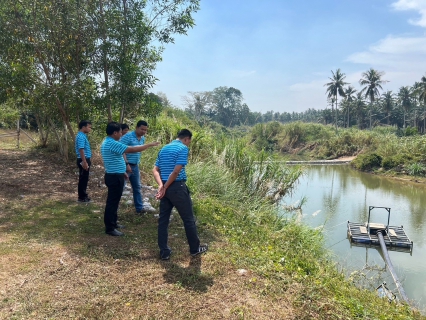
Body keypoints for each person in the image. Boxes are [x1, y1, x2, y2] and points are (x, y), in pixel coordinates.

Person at [153, 129, 208, 260]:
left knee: (163, 220)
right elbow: (177, 171)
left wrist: (161, 186)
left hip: (165, 187)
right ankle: (195, 249)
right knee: (188, 219)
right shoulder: (182, 148)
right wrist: (165, 187)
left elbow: (155, 169)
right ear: (186, 139)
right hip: (177, 187)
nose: (188, 144)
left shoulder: (164, 148)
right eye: (189, 141)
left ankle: (164, 251)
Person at [101, 122, 159, 236]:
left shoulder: (108, 141)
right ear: (115, 133)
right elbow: (132, 149)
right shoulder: (112, 143)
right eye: (120, 133)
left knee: (115, 200)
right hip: (114, 176)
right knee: (112, 202)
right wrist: (149, 145)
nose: (121, 135)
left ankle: (114, 222)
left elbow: (114, 159)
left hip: (115, 174)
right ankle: (110, 228)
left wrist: (123, 171)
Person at [120, 120, 159, 214]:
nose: (143, 132)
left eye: (145, 130)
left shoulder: (142, 139)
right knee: (120, 187)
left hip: (135, 166)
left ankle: (139, 208)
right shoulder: (127, 137)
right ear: (136, 128)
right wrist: (126, 164)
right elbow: (121, 150)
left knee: (137, 187)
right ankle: (114, 210)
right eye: (142, 129)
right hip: (125, 165)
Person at [75, 120, 92, 203]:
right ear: (83, 127)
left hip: (84, 159)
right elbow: (81, 149)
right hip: (83, 159)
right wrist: (84, 161)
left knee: (84, 178)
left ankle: (83, 195)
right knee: (83, 178)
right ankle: (82, 197)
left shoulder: (82, 135)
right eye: (89, 127)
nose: (90, 129)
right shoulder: (81, 136)